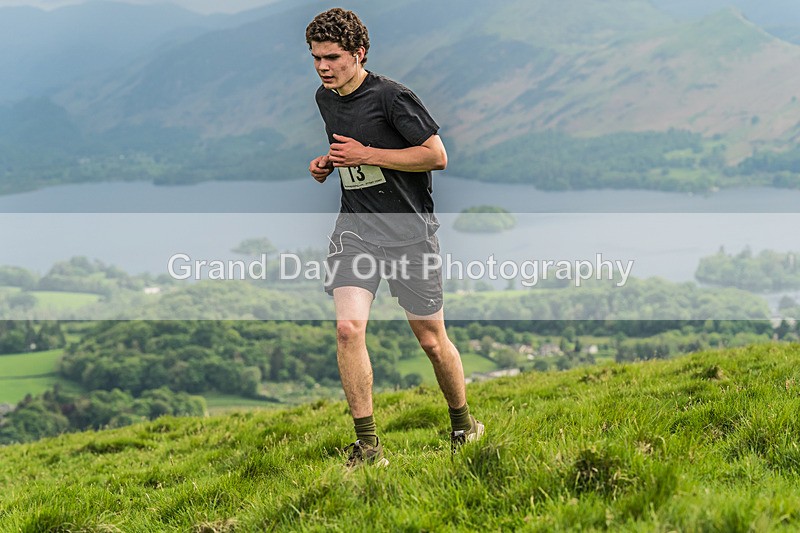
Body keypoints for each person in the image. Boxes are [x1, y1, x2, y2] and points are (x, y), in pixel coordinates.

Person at [305, 7, 483, 468]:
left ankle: (464, 425)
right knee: (348, 330)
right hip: (356, 230)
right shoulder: (326, 99)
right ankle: (367, 447)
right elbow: (353, 158)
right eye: (316, 57)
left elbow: (435, 156)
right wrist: (329, 165)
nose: (323, 66)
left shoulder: (393, 97)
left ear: (358, 54)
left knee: (430, 339)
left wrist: (368, 154)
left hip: (409, 234)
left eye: (333, 57)